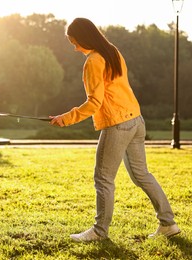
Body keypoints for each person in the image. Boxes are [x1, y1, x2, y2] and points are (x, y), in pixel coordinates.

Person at [50, 18, 180, 241]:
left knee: (103, 178)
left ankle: (100, 232)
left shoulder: (93, 61)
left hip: (117, 124)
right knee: (142, 175)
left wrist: (66, 118)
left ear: (84, 38)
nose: (74, 47)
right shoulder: (112, 52)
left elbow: (94, 102)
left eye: (75, 42)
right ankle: (168, 224)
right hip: (136, 120)